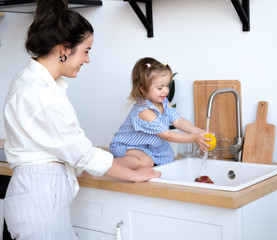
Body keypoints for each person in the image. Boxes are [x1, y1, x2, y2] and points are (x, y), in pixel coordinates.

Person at [2, 0, 160, 239]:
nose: (87, 60)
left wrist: (123, 164)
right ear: (64, 49)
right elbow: (82, 153)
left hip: (40, 196)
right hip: (40, 199)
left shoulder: (34, 83)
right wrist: (134, 174)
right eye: (86, 51)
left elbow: (71, 148)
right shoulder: (40, 94)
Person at [110, 57, 211, 170]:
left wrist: (200, 132)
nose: (165, 91)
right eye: (160, 88)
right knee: (146, 162)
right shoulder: (145, 112)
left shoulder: (164, 102)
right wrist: (195, 138)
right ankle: (112, 164)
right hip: (127, 146)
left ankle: (140, 165)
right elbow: (168, 135)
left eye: (167, 85)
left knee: (168, 156)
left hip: (147, 146)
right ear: (142, 88)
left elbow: (178, 121)